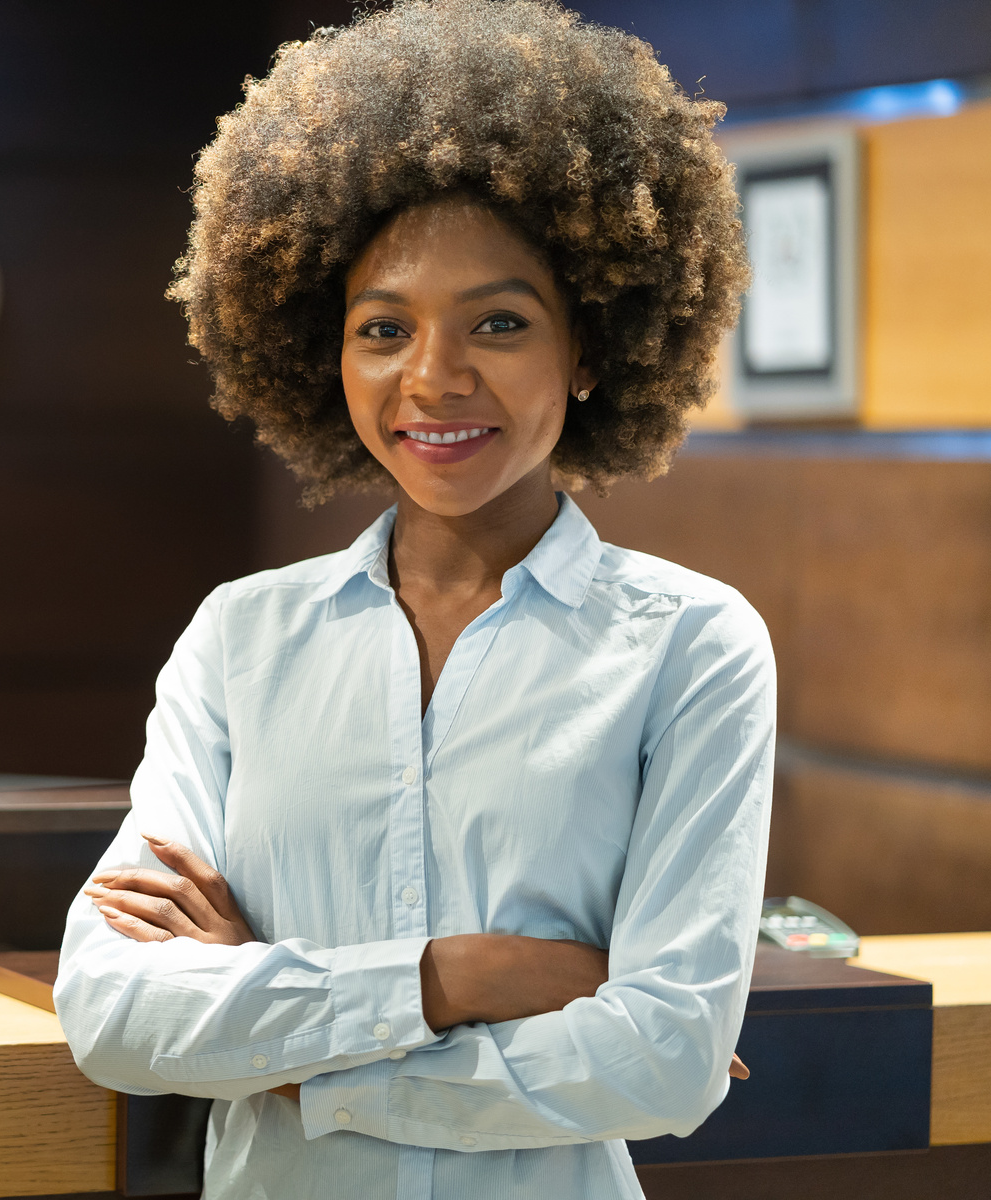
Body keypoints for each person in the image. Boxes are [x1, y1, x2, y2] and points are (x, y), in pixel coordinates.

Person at [51, 3, 767, 1198]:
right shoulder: (242, 638)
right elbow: (118, 1010)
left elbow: (665, 1058)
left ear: (589, 348)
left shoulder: (692, 647)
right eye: (383, 327)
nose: (433, 378)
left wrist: (294, 1057)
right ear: (323, 353)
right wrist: (460, 978)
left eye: (499, 321)